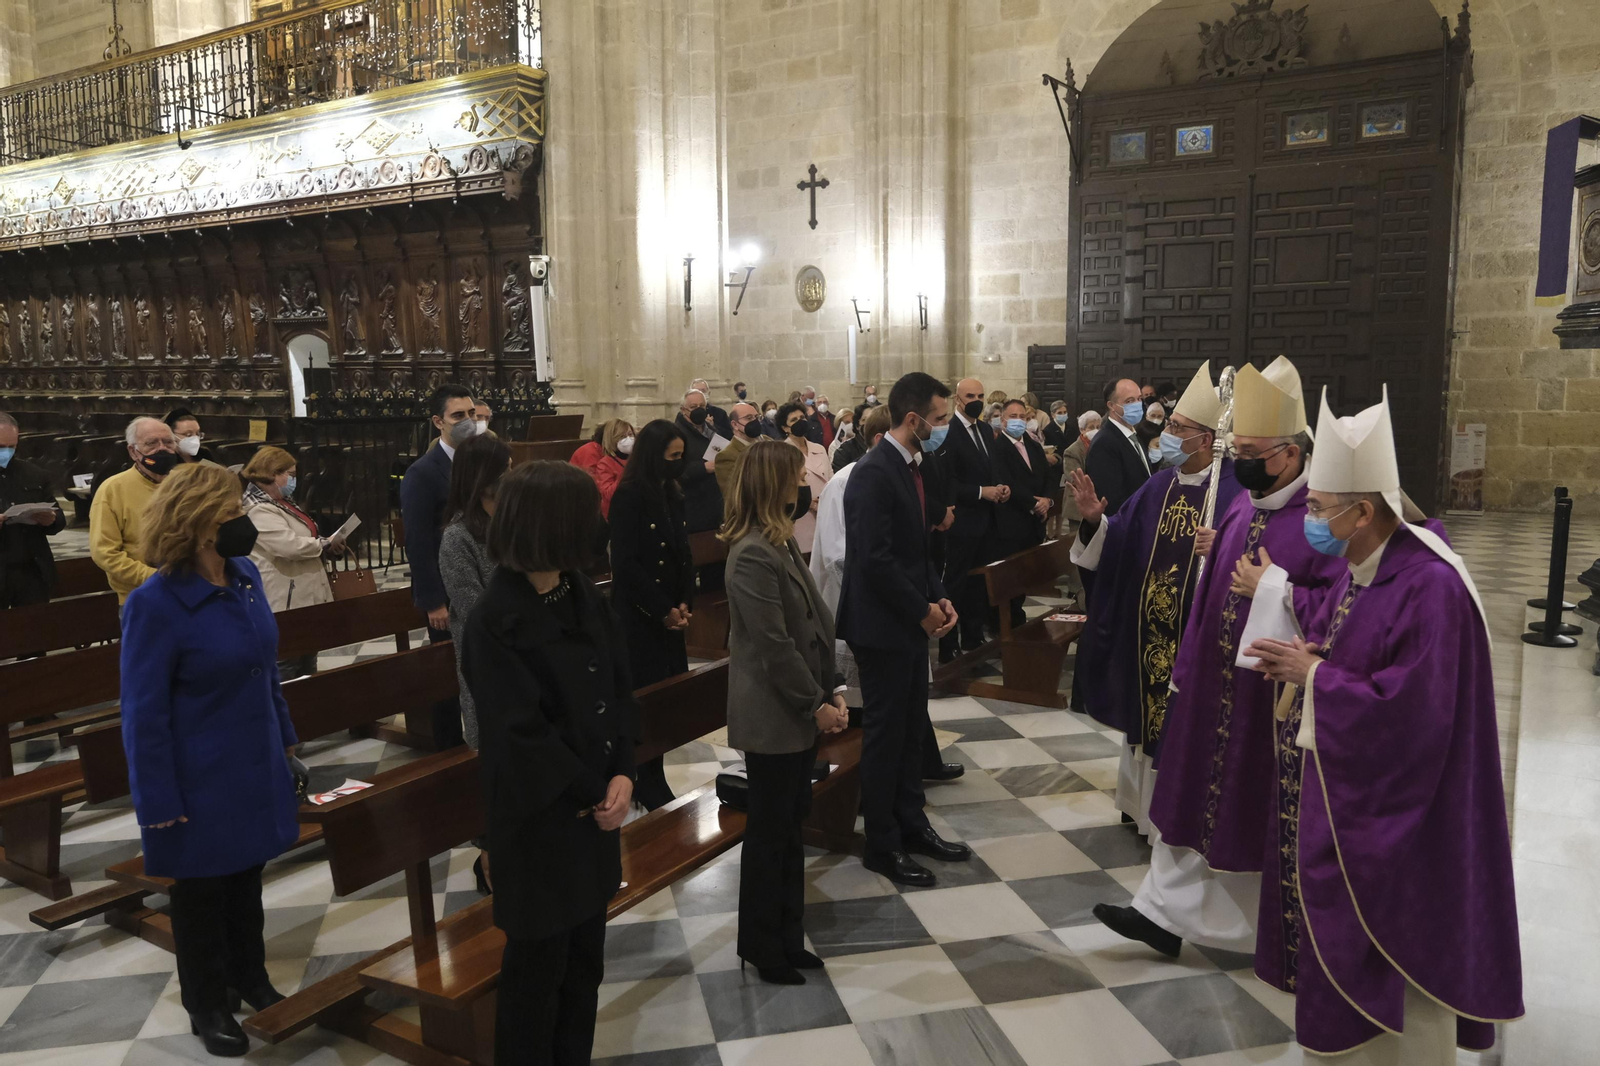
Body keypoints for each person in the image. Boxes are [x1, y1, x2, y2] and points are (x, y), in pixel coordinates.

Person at [1246, 389, 1521, 1062]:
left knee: (1399, 987)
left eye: (1316, 508)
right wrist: (1315, 660)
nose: (1308, 518)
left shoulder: (1431, 587)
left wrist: (1316, 679)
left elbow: (1416, 716)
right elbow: (1360, 653)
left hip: (1409, 826)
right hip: (1352, 802)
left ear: (1362, 511)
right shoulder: (1365, 567)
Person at [1095, 356, 1343, 961]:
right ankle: (1161, 913)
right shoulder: (1241, 506)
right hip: (1211, 685)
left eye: (1254, 451)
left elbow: (1345, 605)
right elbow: (1208, 595)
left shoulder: (1324, 517)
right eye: (1240, 450)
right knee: (1184, 794)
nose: (1243, 463)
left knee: (1245, 809)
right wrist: (1184, 672)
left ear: (1289, 452)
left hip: (1270, 702)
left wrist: (1277, 589)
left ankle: (1260, 928)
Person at [461, 461, 637, 1066]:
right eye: (587, 514)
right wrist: (596, 788)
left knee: (584, 963)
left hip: (593, 812)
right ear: (551, 525)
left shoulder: (579, 591)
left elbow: (618, 687)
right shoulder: (495, 620)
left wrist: (624, 771)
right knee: (538, 973)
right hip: (539, 821)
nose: (598, 525)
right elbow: (520, 735)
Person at [120, 462, 299, 1057]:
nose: (242, 522)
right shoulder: (156, 603)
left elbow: (263, 668)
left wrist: (287, 738)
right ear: (198, 524)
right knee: (200, 895)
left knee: (247, 880)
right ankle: (207, 1002)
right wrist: (158, 803)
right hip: (198, 774)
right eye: (231, 514)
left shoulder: (244, 573)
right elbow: (143, 714)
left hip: (253, 758)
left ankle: (249, 975)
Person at [1068, 364, 1240, 837]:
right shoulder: (1158, 486)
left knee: (1184, 726)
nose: (1166, 433)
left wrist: (1222, 549)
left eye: (1177, 429)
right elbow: (1120, 538)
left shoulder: (1234, 495)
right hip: (1148, 636)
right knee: (1144, 720)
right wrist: (1092, 522)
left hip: (1192, 640)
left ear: (1205, 440)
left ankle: (1173, 821)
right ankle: (1139, 808)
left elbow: (1247, 563)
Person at [722, 441, 849, 985]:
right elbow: (774, 646)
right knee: (770, 835)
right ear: (773, 485)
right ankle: (760, 944)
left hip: (798, 709)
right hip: (775, 715)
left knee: (791, 828)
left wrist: (835, 687)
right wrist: (815, 702)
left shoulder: (779, 544)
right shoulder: (751, 552)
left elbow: (816, 624)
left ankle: (788, 937)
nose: (805, 485)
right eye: (796, 477)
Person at [836, 372, 968, 888]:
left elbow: (916, 549)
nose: (942, 428)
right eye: (938, 419)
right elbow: (873, 560)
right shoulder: (872, 473)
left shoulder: (910, 466)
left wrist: (937, 596)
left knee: (913, 730)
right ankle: (882, 842)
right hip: (881, 626)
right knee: (887, 737)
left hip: (907, 619)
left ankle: (913, 823)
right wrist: (920, 611)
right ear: (912, 420)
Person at [609, 419, 694, 810]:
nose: (678, 463)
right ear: (652, 455)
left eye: (682, 456)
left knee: (665, 702)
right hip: (641, 618)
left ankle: (655, 776)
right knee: (644, 700)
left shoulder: (672, 491)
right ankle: (642, 778)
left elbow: (682, 553)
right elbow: (625, 564)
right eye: (672, 456)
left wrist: (683, 602)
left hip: (669, 616)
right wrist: (661, 610)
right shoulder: (629, 496)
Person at [439, 433, 515, 752]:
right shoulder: (458, 539)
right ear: (485, 480)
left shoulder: (514, 524)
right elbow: (474, 613)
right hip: (489, 661)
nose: (514, 476)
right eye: (507, 469)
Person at [935, 377, 1007, 662]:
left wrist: (1000, 486)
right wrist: (981, 492)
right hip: (962, 521)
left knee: (980, 582)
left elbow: (991, 469)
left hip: (987, 521)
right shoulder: (948, 431)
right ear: (958, 399)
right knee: (955, 584)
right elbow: (948, 481)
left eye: (980, 395)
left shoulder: (987, 430)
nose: (976, 400)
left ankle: (973, 635)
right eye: (970, 396)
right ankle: (948, 644)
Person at [240, 446, 344, 614]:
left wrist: (328, 545)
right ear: (273, 473)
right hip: (286, 595)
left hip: (308, 586)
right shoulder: (257, 509)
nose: (294, 481)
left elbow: (306, 534)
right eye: (291, 475)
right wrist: (325, 543)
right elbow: (290, 546)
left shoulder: (283, 501)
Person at [91, 416, 180, 608]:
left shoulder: (183, 485)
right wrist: (154, 577)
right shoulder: (113, 489)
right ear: (133, 451)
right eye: (151, 444)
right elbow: (104, 553)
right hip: (140, 596)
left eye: (168, 442)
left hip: (185, 592)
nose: (161, 449)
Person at [988, 398, 1053, 627]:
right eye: (1012, 417)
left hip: (1034, 522)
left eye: (1022, 417)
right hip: (1011, 521)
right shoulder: (997, 448)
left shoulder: (1033, 445)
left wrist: (1047, 500)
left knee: (1025, 574)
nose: (1018, 421)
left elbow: (1047, 476)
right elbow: (1005, 480)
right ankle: (1005, 623)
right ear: (1002, 420)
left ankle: (1018, 617)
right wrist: (1032, 503)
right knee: (1010, 576)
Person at [0, 412, 67, 610]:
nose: (6, 453)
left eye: (11, 447)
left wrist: (51, 520)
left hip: (31, 573)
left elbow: (59, 516)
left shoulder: (33, 474)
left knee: (33, 633)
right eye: (1, 447)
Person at [1083, 377, 1150, 517]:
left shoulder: (1134, 436)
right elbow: (1111, 501)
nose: (1137, 405)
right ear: (1112, 405)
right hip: (1125, 526)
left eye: (1139, 399)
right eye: (1129, 401)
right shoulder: (1104, 443)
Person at [776, 401, 830, 553]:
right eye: (794, 420)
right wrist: (808, 502)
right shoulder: (783, 453)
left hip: (824, 514)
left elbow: (830, 479)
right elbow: (782, 488)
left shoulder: (819, 449)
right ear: (785, 427)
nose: (799, 422)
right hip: (801, 517)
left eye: (802, 417)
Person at [674, 388, 725, 533]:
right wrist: (704, 468)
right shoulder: (676, 434)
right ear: (684, 410)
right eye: (693, 407)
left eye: (702, 406)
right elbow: (675, 471)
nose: (699, 410)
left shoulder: (711, 429)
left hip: (715, 500)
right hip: (693, 504)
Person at [570, 419, 633, 518]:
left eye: (630, 435)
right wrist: (627, 473)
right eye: (622, 436)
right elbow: (601, 491)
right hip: (609, 510)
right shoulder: (597, 456)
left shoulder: (633, 458)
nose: (629, 439)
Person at [714, 402, 762, 507]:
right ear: (735, 425)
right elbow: (735, 495)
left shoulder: (769, 442)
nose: (755, 421)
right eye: (749, 418)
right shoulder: (727, 456)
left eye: (756, 417)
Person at [830, 404, 869, 472]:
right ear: (857, 425)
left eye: (871, 419)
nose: (869, 423)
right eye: (864, 420)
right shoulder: (843, 451)